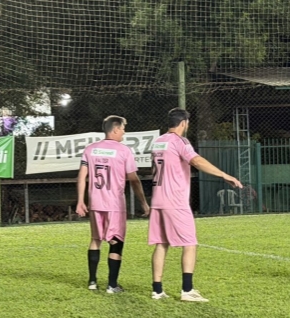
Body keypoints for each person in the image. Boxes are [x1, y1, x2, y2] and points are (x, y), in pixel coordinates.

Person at [148, 108, 243, 302]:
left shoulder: (158, 141)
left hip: (158, 199)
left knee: (161, 243)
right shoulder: (180, 141)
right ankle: (187, 290)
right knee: (190, 243)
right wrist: (224, 175)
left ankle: (157, 290)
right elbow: (196, 161)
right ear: (184, 123)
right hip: (175, 200)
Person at [76, 115, 150, 293]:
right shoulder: (124, 151)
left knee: (95, 239)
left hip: (95, 202)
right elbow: (133, 179)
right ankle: (112, 285)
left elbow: (82, 176)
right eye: (123, 129)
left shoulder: (90, 149)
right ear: (115, 129)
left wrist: (80, 201)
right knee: (116, 241)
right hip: (115, 204)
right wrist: (144, 203)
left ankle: (92, 282)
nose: (124, 132)